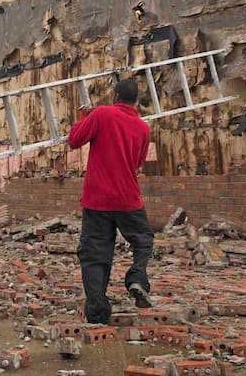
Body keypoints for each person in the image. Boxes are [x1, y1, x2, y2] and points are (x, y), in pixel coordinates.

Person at [67, 77, 154, 324]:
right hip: (128, 199)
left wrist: (85, 117)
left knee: (95, 254)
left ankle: (97, 313)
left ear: (115, 96)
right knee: (143, 241)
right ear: (134, 101)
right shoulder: (143, 128)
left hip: (97, 200)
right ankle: (137, 277)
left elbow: (74, 140)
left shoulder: (102, 114)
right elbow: (137, 163)